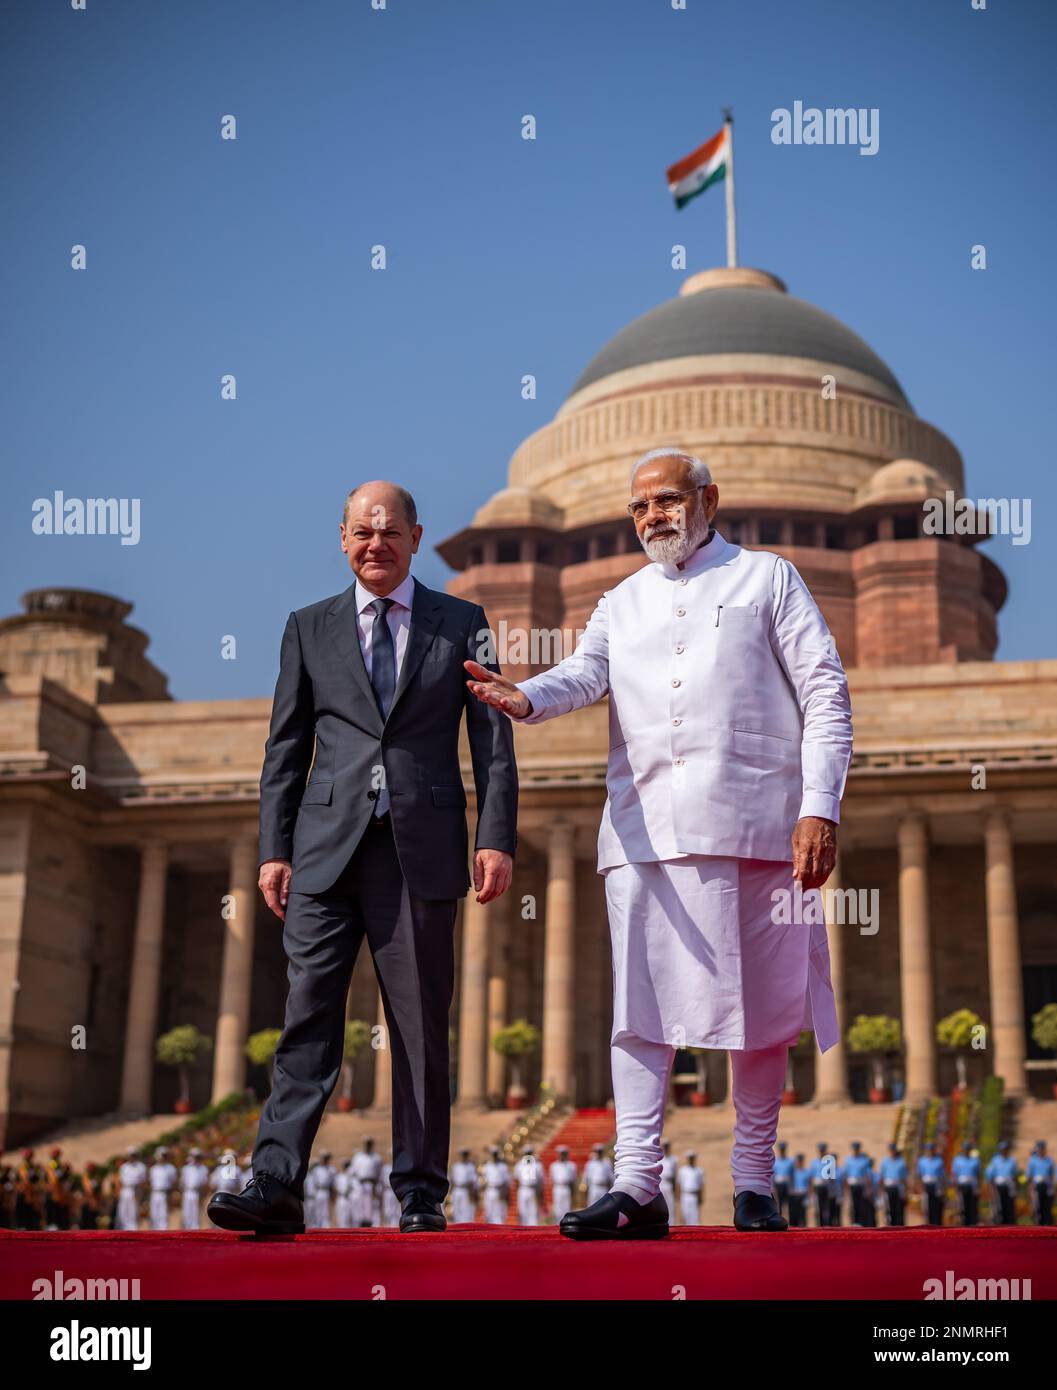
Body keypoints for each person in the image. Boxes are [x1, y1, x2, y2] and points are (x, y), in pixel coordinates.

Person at [466, 447, 851, 1239]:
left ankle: (752, 1183)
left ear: (708, 500)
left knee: (764, 1010)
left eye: (668, 500)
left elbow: (824, 690)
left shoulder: (766, 577)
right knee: (637, 1014)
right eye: (640, 507)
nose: (653, 517)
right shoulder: (621, 601)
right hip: (641, 831)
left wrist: (818, 807)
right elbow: (581, 675)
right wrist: (526, 696)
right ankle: (636, 1185)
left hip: (755, 825)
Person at [209, 481, 517, 1238]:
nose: (374, 543)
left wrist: (494, 835)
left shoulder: (463, 623)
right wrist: (273, 849)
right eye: (360, 532)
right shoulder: (307, 627)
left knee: (418, 1025)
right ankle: (275, 1182)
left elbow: (493, 744)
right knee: (305, 1016)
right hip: (323, 851)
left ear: (415, 536)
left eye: (388, 531)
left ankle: (420, 1192)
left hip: (421, 847)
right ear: (341, 540)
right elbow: (284, 748)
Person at [984, 1140, 1019, 1225]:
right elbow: (990, 1176)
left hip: (1009, 1186)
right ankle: (999, 1225)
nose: (1004, 1151)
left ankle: (1009, 1225)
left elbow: (1015, 1176)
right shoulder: (995, 1161)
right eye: (1002, 1149)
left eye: (1005, 1149)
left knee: (1009, 1207)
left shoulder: (1012, 1161)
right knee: (999, 1208)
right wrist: (991, 1189)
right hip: (998, 1186)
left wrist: (1016, 1189)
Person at [841, 1141, 874, 1227]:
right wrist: (845, 1187)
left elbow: (867, 1175)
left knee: (861, 1204)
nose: (855, 1151)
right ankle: (853, 1222)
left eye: (857, 1149)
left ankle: (860, 1222)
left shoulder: (864, 1160)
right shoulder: (848, 1160)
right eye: (854, 1149)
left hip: (861, 1184)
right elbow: (846, 1174)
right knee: (852, 1204)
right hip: (852, 1184)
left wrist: (868, 1188)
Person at [350, 1139, 382, 1227]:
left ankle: (370, 1223)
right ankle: (361, 1223)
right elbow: (352, 1172)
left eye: (369, 1144)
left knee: (371, 1205)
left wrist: (377, 1186)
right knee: (360, 1204)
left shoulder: (376, 1157)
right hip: (360, 1184)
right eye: (366, 1144)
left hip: (371, 1183)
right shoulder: (358, 1157)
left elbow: (379, 1174)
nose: (368, 1146)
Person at [116, 1147, 146, 1231]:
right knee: (123, 1211)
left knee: (133, 1212)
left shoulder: (141, 1166)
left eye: (134, 1155)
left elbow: (143, 1181)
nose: (132, 1157)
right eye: (130, 1155)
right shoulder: (124, 1167)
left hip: (135, 1189)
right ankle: (123, 1229)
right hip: (125, 1190)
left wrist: (140, 1193)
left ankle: (133, 1230)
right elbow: (120, 1181)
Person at [951, 1141, 980, 1227]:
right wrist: (955, 1187)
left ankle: (972, 1224)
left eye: (968, 1149)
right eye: (965, 1149)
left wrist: (978, 1188)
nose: (966, 1151)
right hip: (962, 1185)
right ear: (962, 1150)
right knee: (962, 1207)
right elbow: (954, 1175)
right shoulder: (957, 1160)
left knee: (972, 1206)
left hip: (972, 1186)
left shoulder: (975, 1160)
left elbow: (978, 1175)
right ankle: (963, 1225)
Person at [879, 1142, 908, 1227]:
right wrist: (881, 1190)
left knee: (899, 1208)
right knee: (889, 1208)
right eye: (891, 1150)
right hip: (888, 1186)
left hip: (899, 1187)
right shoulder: (885, 1161)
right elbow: (882, 1176)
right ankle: (890, 1225)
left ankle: (899, 1226)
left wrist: (905, 1190)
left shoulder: (901, 1161)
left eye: (893, 1150)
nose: (892, 1152)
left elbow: (904, 1178)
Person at [148, 1148, 178, 1231]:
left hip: (164, 1193)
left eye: (164, 1155)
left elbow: (173, 1182)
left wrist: (171, 1195)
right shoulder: (153, 1169)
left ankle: (163, 1233)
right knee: (154, 1214)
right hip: (154, 1193)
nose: (162, 1157)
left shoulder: (170, 1168)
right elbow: (150, 1182)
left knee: (163, 1214)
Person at [810, 1142, 838, 1228]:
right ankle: (820, 1224)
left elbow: (832, 1178)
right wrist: (812, 1190)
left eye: (823, 1150)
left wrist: (833, 1189)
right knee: (818, 1206)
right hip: (818, 1186)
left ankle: (827, 1224)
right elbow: (812, 1177)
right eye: (820, 1150)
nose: (821, 1152)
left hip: (826, 1185)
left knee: (827, 1206)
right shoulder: (814, 1162)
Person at [917, 1142, 946, 1226]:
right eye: (928, 1150)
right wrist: (920, 1187)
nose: (930, 1152)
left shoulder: (939, 1160)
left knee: (936, 1207)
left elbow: (942, 1176)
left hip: (936, 1186)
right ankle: (928, 1225)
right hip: (926, 1185)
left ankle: (937, 1225)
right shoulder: (922, 1161)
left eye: (931, 1150)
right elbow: (919, 1175)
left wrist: (942, 1188)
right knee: (927, 1208)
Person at [180, 1148, 209, 1230]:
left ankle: (195, 1230)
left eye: (198, 1157)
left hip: (197, 1193)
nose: (196, 1158)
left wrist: (203, 1196)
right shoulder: (186, 1168)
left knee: (196, 1214)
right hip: (187, 1192)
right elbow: (182, 1182)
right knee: (186, 1213)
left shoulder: (203, 1169)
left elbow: (204, 1183)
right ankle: (186, 1229)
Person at [1026, 1141, 1054, 1226]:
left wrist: (1052, 1187)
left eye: (1043, 1149)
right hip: (1037, 1186)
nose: (1041, 1150)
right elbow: (1029, 1176)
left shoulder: (1049, 1160)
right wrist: (1030, 1189)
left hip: (1046, 1186)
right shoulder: (1032, 1160)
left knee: (1047, 1208)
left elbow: (1051, 1175)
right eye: (1039, 1149)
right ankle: (1038, 1226)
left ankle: (1047, 1227)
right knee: (1037, 1208)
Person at [516, 1146, 544, 1226]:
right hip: (523, 1189)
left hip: (532, 1189)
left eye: (529, 1153)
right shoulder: (519, 1165)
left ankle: (533, 1231)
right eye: (526, 1154)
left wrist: (540, 1195)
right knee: (522, 1211)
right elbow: (517, 1179)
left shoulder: (537, 1165)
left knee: (533, 1212)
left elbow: (540, 1182)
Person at [450, 1148, 479, 1223]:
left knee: (465, 1210)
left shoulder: (470, 1166)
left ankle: (465, 1224)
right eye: (462, 1155)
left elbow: (473, 1180)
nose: (463, 1157)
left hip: (466, 1190)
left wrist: (473, 1192)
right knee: (456, 1209)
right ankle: (457, 1224)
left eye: (465, 1155)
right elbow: (452, 1178)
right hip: (457, 1189)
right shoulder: (456, 1166)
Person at [482, 1147, 510, 1225]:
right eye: (492, 1155)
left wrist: (504, 1193)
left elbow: (506, 1181)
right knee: (489, 1212)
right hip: (489, 1190)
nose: (494, 1156)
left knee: (499, 1212)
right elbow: (483, 1180)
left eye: (495, 1154)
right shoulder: (487, 1166)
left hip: (499, 1190)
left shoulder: (503, 1166)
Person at [549, 1146, 578, 1222]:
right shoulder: (554, 1166)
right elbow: (552, 1180)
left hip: (566, 1187)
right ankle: (557, 1224)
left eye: (563, 1154)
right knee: (557, 1209)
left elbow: (573, 1181)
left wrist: (573, 1194)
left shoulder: (571, 1165)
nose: (561, 1156)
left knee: (566, 1207)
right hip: (557, 1187)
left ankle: (566, 1223)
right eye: (560, 1154)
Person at [677, 1152, 704, 1226]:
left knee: (695, 1216)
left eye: (692, 1158)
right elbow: (679, 1184)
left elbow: (701, 1185)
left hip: (694, 1195)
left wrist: (701, 1197)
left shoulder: (699, 1170)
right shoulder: (682, 1170)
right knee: (685, 1215)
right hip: (685, 1194)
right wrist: (678, 1197)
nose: (691, 1160)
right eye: (690, 1158)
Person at [772, 1140, 795, 1221]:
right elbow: (772, 1176)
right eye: (781, 1149)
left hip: (787, 1185)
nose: (782, 1150)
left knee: (789, 1204)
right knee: (779, 1204)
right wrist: (773, 1187)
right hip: (779, 1185)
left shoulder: (790, 1161)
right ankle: (779, 1221)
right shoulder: (775, 1162)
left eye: (783, 1149)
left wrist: (792, 1187)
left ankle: (791, 1222)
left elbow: (793, 1175)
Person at [788, 1153, 811, 1227]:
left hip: (803, 1195)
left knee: (803, 1217)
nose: (799, 1162)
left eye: (801, 1161)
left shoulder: (806, 1171)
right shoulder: (793, 1172)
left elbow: (809, 1185)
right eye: (798, 1161)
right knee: (794, 1216)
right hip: (794, 1196)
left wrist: (809, 1197)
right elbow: (790, 1183)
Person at [660, 1140, 678, 1223]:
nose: (666, 1148)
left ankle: (671, 1225)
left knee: (670, 1206)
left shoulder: (673, 1159)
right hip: (661, 1185)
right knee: (661, 1206)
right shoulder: (659, 1159)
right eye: (665, 1146)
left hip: (669, 1184)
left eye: (667, 1146)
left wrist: (675, 1189)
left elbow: (674, 1175)